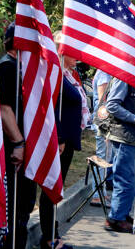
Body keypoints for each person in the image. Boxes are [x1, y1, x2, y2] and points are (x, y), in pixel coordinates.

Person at [39, 31, 89, 249]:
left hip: (67, 140)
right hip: (59, 141)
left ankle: (53, 233)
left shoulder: (70, 74)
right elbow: (50, 106)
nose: (77, 55)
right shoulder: (55, 73)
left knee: (56, 190)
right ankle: (49, 238)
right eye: (72, 50)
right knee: (50, 188)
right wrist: (58, 137)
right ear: (61, 51)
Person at [0, 23, 37, 249]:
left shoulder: (17, 66)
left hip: (18, 148)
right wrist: (19, 143)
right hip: (12, 150)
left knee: (22, 208)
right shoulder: (7, 67)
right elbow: (4, 109)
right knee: (15, 208)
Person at [104, 78, 135, 233]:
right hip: (125, 137)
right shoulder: (123, 78)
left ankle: (122, 214)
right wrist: (134, 118)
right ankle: (115, 219)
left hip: (132, 137)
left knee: (131, 180)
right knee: (125, 180)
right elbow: (112, 105)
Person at [90, 69, 112, 206]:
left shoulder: (104, 72)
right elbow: (103, 101)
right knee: (102, 158)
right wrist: (106, 126)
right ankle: (97, 195)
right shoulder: (104, 73)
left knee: (104, 158)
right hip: (103, 122)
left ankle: (102, 192)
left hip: (102, 121)